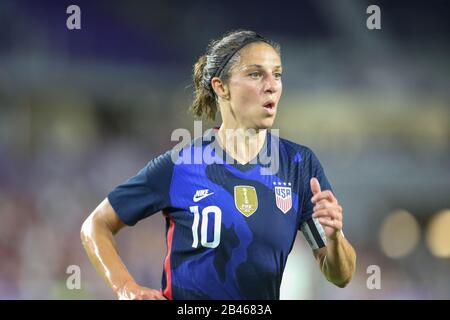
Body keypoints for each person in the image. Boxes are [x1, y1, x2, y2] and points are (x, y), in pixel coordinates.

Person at [81, 30, 356, 300]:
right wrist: (125, 287)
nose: (272, 84)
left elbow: (340, 276)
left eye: (278, 74)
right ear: (220, 87)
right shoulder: (181, 164)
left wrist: (335, 239)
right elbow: (96, 225)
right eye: (255, 74)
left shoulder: (299, 165)